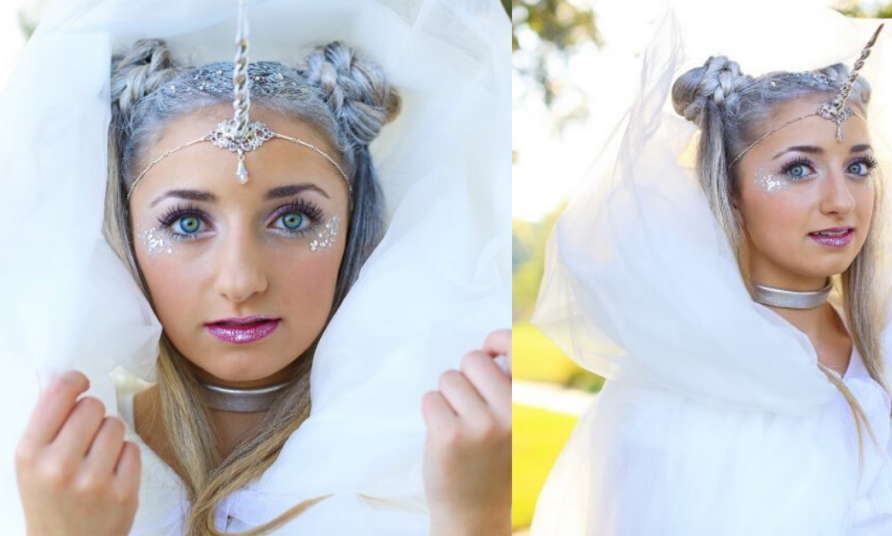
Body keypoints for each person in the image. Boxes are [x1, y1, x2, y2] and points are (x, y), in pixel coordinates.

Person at [0, 0, 511, 534]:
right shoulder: (44, 463)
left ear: (355, 223)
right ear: (125, 232)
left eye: (293, 219)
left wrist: (475, 517)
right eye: (188, 224)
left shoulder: (434, 457)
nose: (241, 281)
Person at [529, 3, 892, 535]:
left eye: (858, 166)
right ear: (729, 191)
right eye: (798, 169)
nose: (841, 200)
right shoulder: (681, 388)